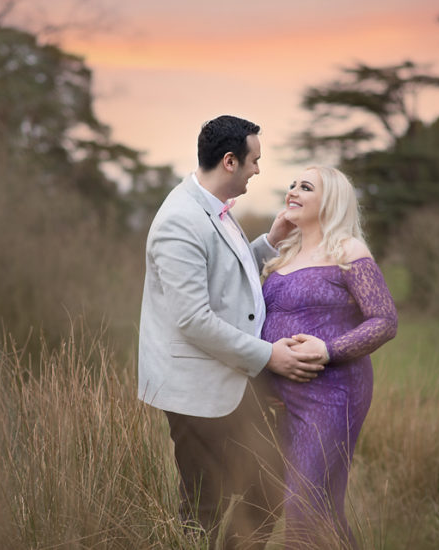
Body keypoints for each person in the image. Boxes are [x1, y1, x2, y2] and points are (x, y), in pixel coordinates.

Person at [138, 115, 325, 549]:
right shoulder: (179, 221)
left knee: (272, 483)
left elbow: (226, 278)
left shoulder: (213, 207)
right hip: (195, 389)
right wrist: (270, 356)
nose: (258, 169)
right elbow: (193, 319)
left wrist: (270, 241)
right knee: (204, 504)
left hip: (229, 379)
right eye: (254, 160)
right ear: (229, 161)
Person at [260, 165, 398, 548]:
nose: (292, 191)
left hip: (332, 393)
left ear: (331, 201)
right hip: (281, 396)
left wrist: (328, 349)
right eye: (292, 185)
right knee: (322, 508)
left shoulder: (348, 251)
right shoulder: (283, 254)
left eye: (305, 187)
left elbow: (385, 320)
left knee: (303, 506)